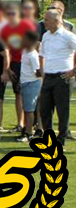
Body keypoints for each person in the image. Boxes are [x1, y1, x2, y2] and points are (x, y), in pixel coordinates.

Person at [39, 9, 76, 147]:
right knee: (44, 110)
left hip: (63, 78)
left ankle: (61, 141)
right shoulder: (46, 35)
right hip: (48, 77)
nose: (44, 22)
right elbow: (42, 54)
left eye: (46, 20)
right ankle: (49, 140)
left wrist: (74, 71)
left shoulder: (68, 36)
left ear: (56, 21)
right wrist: (42, 71)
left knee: (62, 111)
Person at [0, 3, 37, 132]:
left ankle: (32, 124)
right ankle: (20, 124)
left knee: (30, 93)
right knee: (18, 94)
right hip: (15, 64)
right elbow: (6, 50)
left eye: (13, 13)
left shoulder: (27, 26)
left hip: (27, 63)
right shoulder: (5, 29)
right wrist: (8, 68)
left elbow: (35, 44)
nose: (10, 16)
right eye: (8, 13)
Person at [17, 31, 42, 143]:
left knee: (29, 110)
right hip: (25, 83)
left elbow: (38, 72)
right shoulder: (25, 52)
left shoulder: (32, 55)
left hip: (31, 83)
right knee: (26, 109)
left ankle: (28, 133)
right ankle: (27, 130)